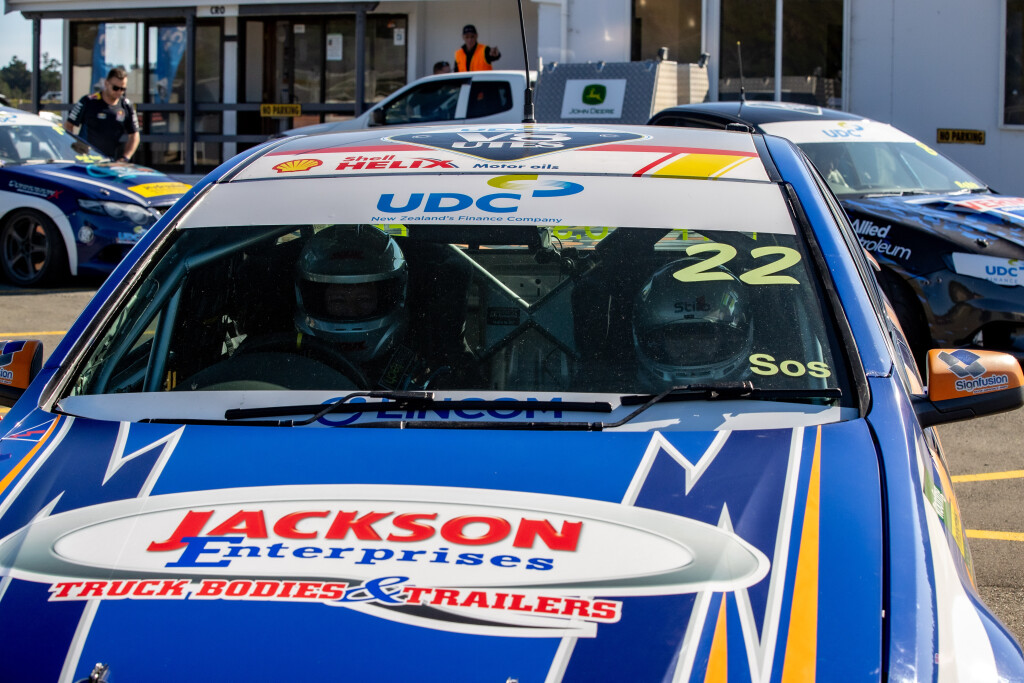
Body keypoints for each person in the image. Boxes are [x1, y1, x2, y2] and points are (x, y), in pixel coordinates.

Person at [294, 225, 480, 390]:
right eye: (338, 301)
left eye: (363, 299)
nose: (351, 311)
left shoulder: (425, 349)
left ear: (386, 297)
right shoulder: (293, 356)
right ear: (316, 301)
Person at [631, 258, 752, 389]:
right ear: (658, 341)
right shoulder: (621, 390)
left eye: (704, 336)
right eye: (679, 336)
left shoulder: (766, 389)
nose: (692, 349)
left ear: (726, 338)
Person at [64, 67, 140, 162]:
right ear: (106, 83)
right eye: (115, 88)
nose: (119, 92)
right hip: (86, 159)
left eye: (123, 89)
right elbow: (68, 126)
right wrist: (72, 150)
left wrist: (125, 158)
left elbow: (134, 135)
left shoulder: (127, 106)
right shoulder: (88, 101)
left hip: (110, 161)